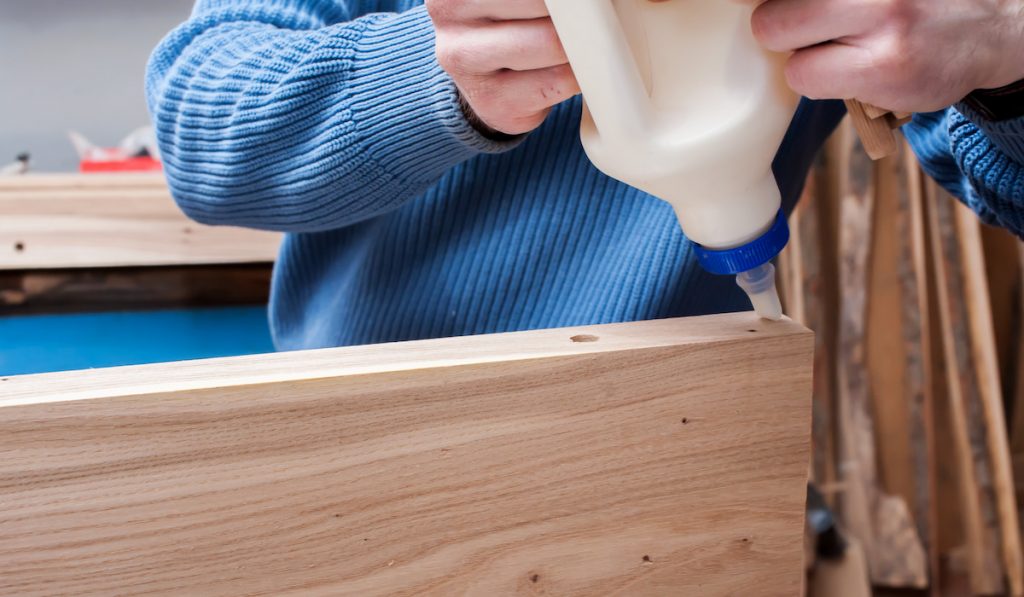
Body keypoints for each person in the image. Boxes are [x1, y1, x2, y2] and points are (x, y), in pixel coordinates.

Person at [147, 0, 1024, 350]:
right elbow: (201, 133)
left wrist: (1001, 48)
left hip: (660, 454)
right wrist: (437, 71)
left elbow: (1000, 183)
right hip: (373, 445)